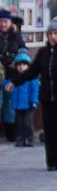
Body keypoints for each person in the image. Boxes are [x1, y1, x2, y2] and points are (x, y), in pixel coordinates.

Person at [6, 18, 57, 171]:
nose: (52, 37)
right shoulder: (44, 52)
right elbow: (32, 71)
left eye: (56, 33)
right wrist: (15, 82)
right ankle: (53, 162)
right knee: (50, 131)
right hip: (48, 96)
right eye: (50, 33)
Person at [0, 8, 26, 142]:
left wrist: (19, 64)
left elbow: (23, 50)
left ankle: (11, 132)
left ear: (10, 22)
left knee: (10, 104)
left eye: (6, 21)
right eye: (1, 21)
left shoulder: (16, 35)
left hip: (12, 74)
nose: (3, 24)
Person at [2, 50, 38, 146]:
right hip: (17, 105)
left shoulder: (31, 78)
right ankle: (21, 138)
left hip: (29, 105)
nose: (21, 67)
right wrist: (5, 85)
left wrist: (34, 101)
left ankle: (30, 138)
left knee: (27, 122)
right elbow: (6, 83)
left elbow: (35, 90)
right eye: (19, 65)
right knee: (20, 123)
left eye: (24, 65)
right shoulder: (14, 78)